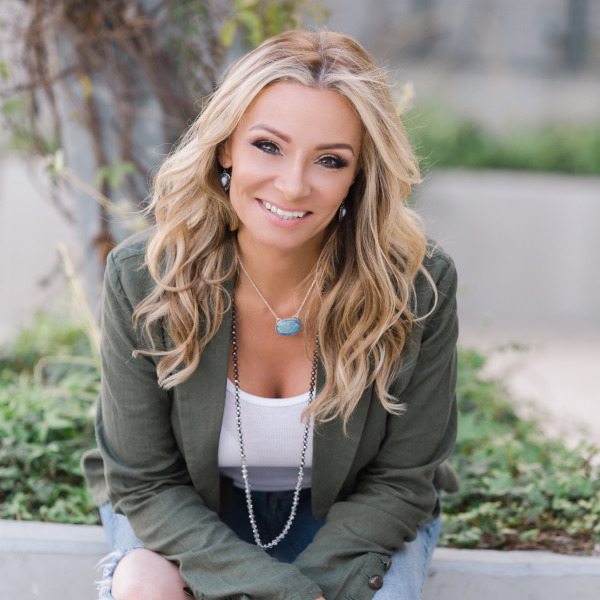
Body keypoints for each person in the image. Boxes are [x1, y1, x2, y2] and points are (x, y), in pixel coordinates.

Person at [81, 29, 459, 600]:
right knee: (142, 585)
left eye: (330, 160)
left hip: (352, 515)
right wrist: (278, 592)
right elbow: (146, 481)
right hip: (187, 506)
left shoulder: (415, 286)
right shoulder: (145, 277)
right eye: (268, 146)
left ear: (358, 174)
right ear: (226, 147)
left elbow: (401, 482)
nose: (293, 184)